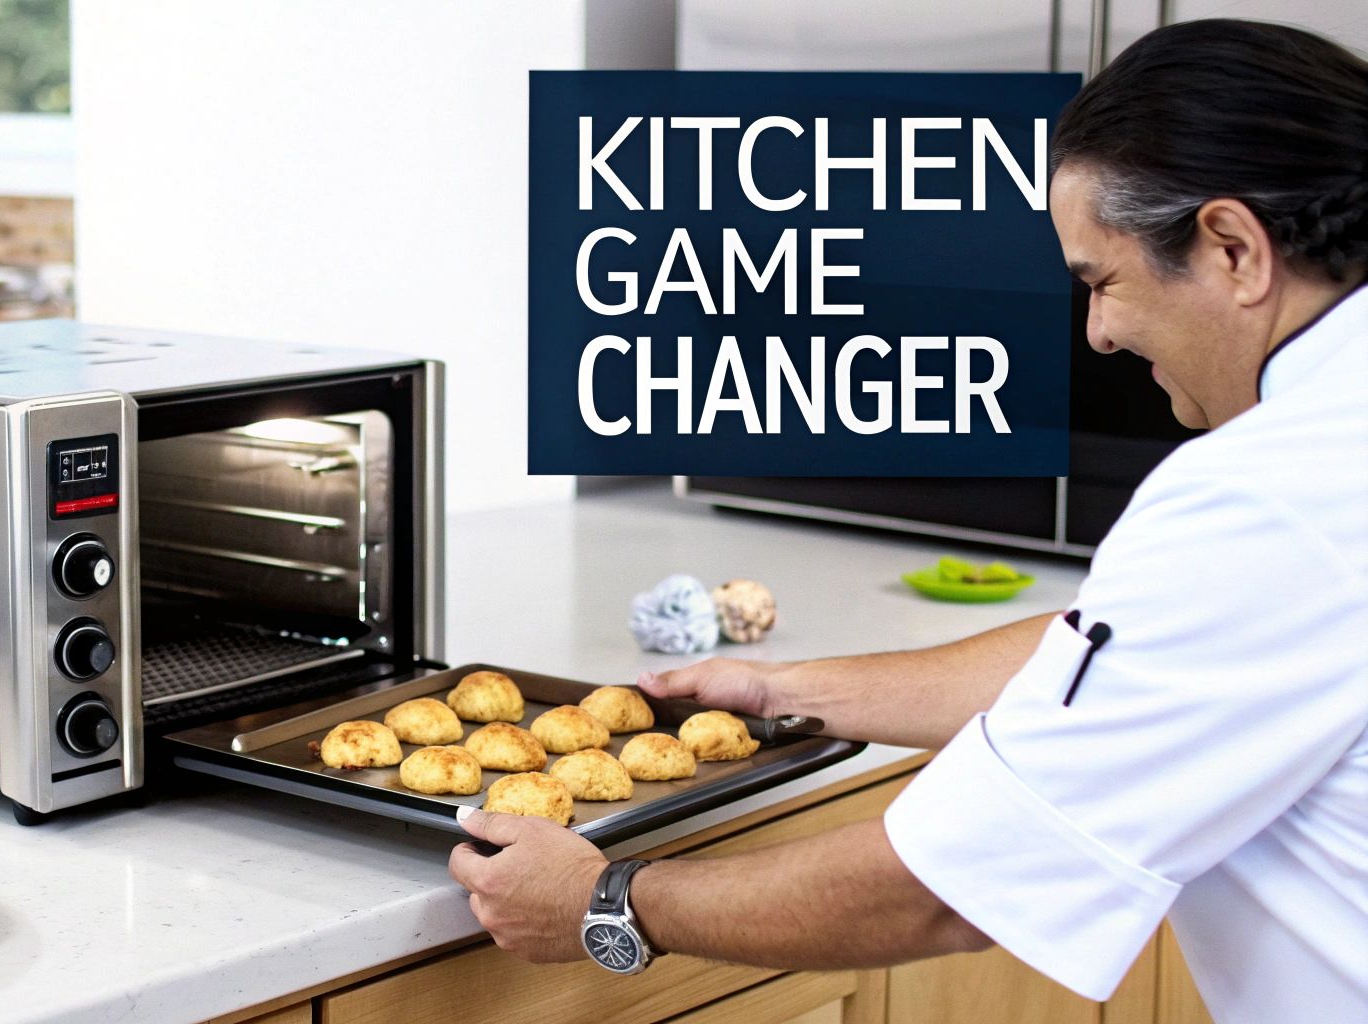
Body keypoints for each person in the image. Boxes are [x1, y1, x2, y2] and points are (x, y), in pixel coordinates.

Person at [448, 19, 1367, 1021]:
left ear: (1231, 247)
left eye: (1099, 282)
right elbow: (1118, 652)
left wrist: (604, 902)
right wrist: (786, 690)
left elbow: (948, 885)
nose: (1097, 334)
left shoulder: (1268, 493)